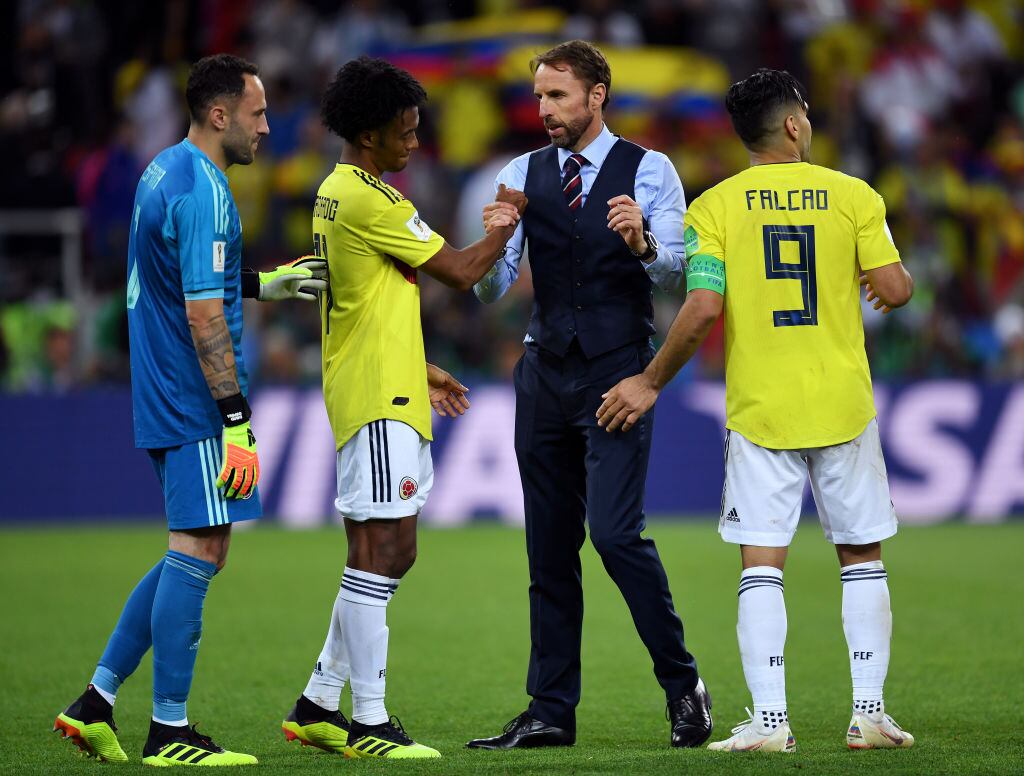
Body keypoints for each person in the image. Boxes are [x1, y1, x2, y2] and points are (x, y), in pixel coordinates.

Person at [597, 68, 916, 753]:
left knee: (761, 565)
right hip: (843, 403)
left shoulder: (713, 209)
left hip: (760, 408)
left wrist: (651, 380)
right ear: (795, 125)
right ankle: (869, 714)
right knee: (860, 555)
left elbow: (704, 306)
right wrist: (887, 283)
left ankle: (771, 721)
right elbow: (894, 285)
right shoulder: (853, 196)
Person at [53, 54, 326, 767]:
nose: (268, 128)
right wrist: (236, 421)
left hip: (162, 385)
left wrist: (266, 283)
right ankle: (169, 732)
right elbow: (205, 317)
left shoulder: (163, 168)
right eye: (258, 113)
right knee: (201, 549)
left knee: (195, 549)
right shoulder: (205, 191)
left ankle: (96, 703)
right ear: (219, 114)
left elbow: (186, 277)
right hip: (193, 394)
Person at [466, 40, 712, 750]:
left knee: (612, 534)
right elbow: (489, 292)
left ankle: (682, 681)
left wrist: (642, 245)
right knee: (547, 548)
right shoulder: (521, 173)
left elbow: (677, 279)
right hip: (544, 372)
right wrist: (492, 244)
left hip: (617, 370)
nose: (543, 111)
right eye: (539, 97)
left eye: (557, 96)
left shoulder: (653, 170)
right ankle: (550, 711)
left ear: (597, 94)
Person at [278, 56, 525, 760]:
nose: (415, 144)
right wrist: (509, 221)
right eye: (404, 132)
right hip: (378, 399)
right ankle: (371, 721)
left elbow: (359, 300)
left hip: (381, 381)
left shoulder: (336, 191)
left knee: (375, 551)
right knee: (390, 549)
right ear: (367, 133)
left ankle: (321, 702)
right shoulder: (371, 200)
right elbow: (463, 270)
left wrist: (421, 368)